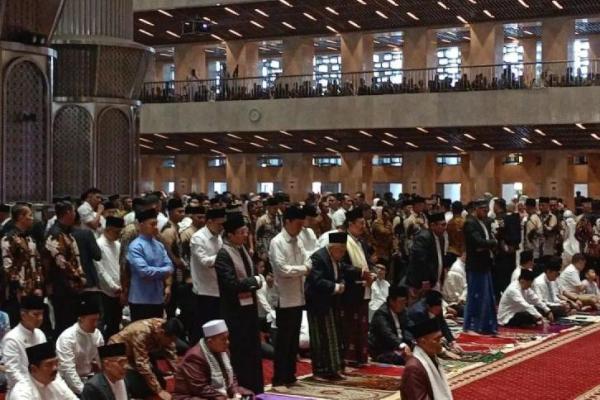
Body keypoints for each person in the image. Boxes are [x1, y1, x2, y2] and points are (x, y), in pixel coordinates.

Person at [215, 213, 264, 394]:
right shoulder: (223, 254)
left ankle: (255, 387)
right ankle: (240, 388)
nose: (245, 235)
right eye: (241, 232)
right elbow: (230, 284)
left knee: (253, 348)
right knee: (239, 350)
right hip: (234, 311)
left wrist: (254, 280)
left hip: (249, 307)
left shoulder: (242, 249)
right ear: (230, 235)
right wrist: (255, 281)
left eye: (246, 231)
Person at [269, 205, 309, 390]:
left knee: (293, 341)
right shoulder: (277, 242)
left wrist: (303, 268)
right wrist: (303, 270)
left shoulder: (298, 240)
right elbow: (283, 270)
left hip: (298, 297)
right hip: (284, 298)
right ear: (287, 222)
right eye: (298, 224)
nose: (301, 227)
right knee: (283, 341)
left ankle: (290, 375)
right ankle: (279, 378)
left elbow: (308, 259)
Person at [305, 232, 349, 380]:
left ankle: (334, 369)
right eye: (341, 251)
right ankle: (320, 371)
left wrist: (341, 283)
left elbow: (339, 274)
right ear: (332, 248)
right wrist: (336, 287)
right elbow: (316, 281)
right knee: (320, 338)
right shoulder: (319, 257)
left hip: (331, 302)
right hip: (317, 303)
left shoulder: (335, 258)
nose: (342, 254)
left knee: (334, 336)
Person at [172, 320, 254, 400]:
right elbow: (200, 388)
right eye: (223, 339)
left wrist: (235, 392)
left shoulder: (224, 350)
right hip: (193, 395)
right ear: (210, 342)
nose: (228, 342)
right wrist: (225, 398)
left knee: (247, 394)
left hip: (218, 393)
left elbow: (232, 376)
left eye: (227, 338)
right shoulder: (194, 357)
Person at [108, 318, 182, 400]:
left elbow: (172, 356)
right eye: (171, 340)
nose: (172, 343)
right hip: (118, 353)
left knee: (162, 383)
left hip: (137, 354)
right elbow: (142, 364)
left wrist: (181, 376)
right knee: (139, 389)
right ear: (162, 333)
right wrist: (158, 390)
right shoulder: (142, 332)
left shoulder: (166, 329)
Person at [45, 201, 87, 335]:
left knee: (71, 322)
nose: (75, 214)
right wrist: (78, 276)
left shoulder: (66, 232)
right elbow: (61, 262)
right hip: (61, 287)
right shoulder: (55, 233)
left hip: (71, 287)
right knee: (64, 323)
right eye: (74, 211)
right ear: (68, 213)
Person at [340, 207, 374, 367]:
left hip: (364, 288)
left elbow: (367, 262)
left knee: (362, 325)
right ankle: (349, 358)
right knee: (350, 326)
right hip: (351, 290)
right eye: (360, 223)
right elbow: (342, 266)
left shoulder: (362, 242)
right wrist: (361, 273)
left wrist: (372, 271)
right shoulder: (342, 241)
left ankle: (360, 358)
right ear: (351, 224)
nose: (363, 226)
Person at [126, 209, 173, 321]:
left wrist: (162, 272)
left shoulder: (159, 245)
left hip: (157, 298)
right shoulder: (135, 246)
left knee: (156, 335)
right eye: (152, 224)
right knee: (141, 335)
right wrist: (164, 271)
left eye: (156, 224)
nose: (156, 227)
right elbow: (144, 272)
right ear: (141, 225)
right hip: (140, 299)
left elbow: (170, 266)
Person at [1, 203, 43, 324]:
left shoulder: (30, 239)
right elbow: (8, 267)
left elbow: (37, 263)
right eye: (30, 215)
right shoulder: (8, 239)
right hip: (17, 292)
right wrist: (22, 286)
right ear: (20, 217)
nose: (32, 218)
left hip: (33, 290)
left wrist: (38, 284)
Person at [56, 295, 104, 395]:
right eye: (92, 320)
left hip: (88, 378)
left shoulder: (97, 334)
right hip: (67, 383)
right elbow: (68, 371)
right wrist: (84, 393)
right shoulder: (67, 338)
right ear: (81, 318)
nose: (95, 324)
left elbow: (102, 362)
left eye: (97, 320)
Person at [190, 208, 226, 342]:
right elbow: (205, 261)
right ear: (210, 221)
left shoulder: (219, 237)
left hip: (218, 288)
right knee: (202, 326)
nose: (222, 227)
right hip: (204, 290)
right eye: (219, 224)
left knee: (216, 326)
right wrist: (225, 256)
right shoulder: (198, 238)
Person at [463, 199, 498, 335]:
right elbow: (478, 243)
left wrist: (487, 244)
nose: (485, 212)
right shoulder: (470, 224)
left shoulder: (484, 222)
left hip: (485, 264)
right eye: (483, 210)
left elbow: (485, 243)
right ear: (476, 209)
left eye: (486, 210)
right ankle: (472, 326)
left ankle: (485, 326)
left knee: (487, 297)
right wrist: (491, 242)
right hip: (475, 266)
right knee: (475, 296)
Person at [400, 318, 453, 400]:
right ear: (423, 341)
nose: (442, 342)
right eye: (437, 339)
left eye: (441, 338)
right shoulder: (413, 368)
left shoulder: (432, 357)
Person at [1, 295, 46, 390]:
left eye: (42, 314)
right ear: (23, 315)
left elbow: (46, 365)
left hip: (42, 386)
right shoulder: (11, 338)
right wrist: (33, 389)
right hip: (21, 391)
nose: (40, 318)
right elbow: (13, 374)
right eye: (36, 314)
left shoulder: (40, 334)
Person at [8, 342, 77, 400]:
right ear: (34, 369)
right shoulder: (22, 394)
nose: (55, 368)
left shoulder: (56, 380)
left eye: (56, 363)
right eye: (49, 365)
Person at [94, 216, 125, 339]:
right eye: (116, 232)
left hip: (119, 290)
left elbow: (120, 266)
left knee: (115, 323)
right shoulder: (98, 244)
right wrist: (113, 286)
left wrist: (122, 286)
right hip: (105, 291)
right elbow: (100, 270)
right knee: (104, 323)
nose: (118, 235)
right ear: (108, 229)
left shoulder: (117, 244)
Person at [406, 212, 447, 300]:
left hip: (435, 280)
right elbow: (419, 260)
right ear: (432, 225)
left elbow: (440, 257)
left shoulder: (441, 238)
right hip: (421, 283)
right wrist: (425, 280)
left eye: (445, 224)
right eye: (442, 225)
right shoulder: (423, 237)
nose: (445, 228)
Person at [368, 286, 413, 365]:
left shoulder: (403, 311)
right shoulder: (381, 313)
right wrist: (401, 344)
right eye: (401, 302)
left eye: (405, 302)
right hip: (382, 349)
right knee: (401, 358)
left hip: (398, 347)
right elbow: (387, 333)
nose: (403, 305)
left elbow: (409, 327)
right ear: (392, 301)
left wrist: (414, 341)